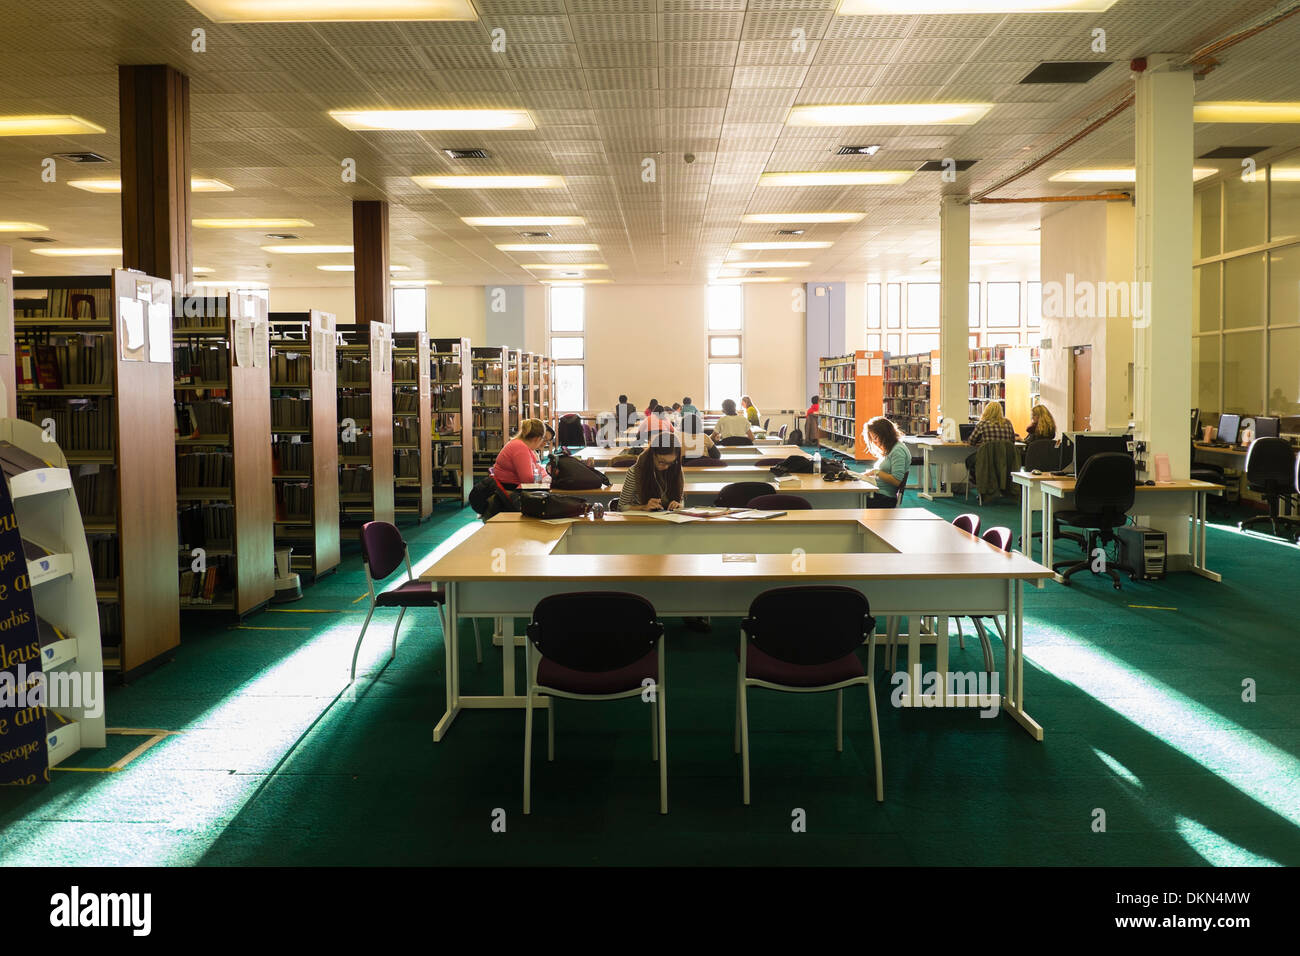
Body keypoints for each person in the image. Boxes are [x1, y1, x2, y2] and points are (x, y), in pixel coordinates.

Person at [617, 438, 684, 512]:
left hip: (669, 520)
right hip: (642, 520)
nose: (666, 467)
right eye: (661, 462)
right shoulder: (635, 472)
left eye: (671, 463)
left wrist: (678, 505)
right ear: (652, 454)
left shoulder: (676, 469)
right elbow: (621, 507)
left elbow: (681, 501)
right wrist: (643, 507)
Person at [863, 416, 909, 508]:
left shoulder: (898, 450)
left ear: (885, 434)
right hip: (877, 493)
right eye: (872, 439)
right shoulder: (890, 449)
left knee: (847, 500)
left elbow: (896, 481)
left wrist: (876, 472)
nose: (874, 442)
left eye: (875, 438)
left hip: (884, 498)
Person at [491, 418, 547, 490]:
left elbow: (537, 467)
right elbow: (527, 480)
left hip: (508, 485)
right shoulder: (520, 448)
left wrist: (542, 476)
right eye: (543, 438)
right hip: (509, 488)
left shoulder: (522, 445)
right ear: (537, 438)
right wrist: (542, 477)